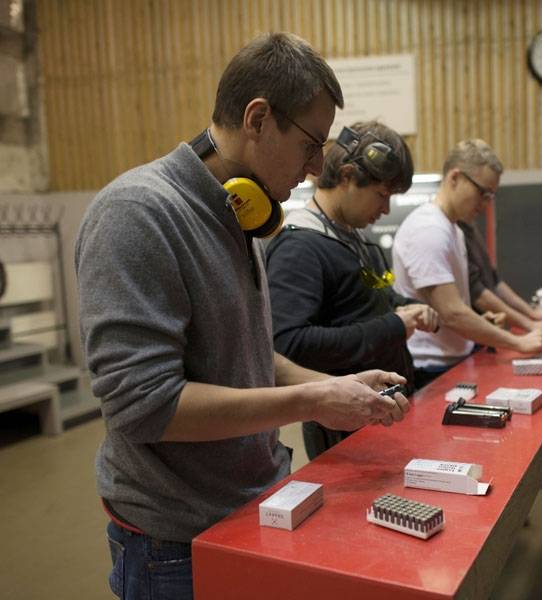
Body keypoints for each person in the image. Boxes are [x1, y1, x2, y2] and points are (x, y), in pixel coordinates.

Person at [75, 33, 410, 600]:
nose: (314, 168)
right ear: (257, 118)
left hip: (254, 505)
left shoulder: (242, 213)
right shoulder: (137, 214)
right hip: (175, 546)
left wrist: (335, 385)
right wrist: (314, 401)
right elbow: (145, 405)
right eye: (309, 145)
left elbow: (249, 354)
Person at [264, 120, 439, 459]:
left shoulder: (356, 240)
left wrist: (407, 307)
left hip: (381, 415)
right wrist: (394, 326)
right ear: (346, 176)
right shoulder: (299, 248)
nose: (386, 210)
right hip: (343, 429)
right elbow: (288, 345)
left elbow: (375, 298)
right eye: (381, 195)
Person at [392, 139, 542, 387]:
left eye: (491, 195)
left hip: (452, 360)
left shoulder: (452, 228)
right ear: (455, 177)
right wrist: (519, 341)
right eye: (482, 192)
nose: (486, 203)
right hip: (431, 369)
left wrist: (484, 325)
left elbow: (458, 307)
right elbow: (452, 313)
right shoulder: (428, 229)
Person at [457, 219, 542, 332]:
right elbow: (479, 296)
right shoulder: (454, 232)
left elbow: (495, 281)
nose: (484, 204)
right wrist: (530, 324)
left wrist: (532, 314)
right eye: (483, 200)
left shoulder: (470, 227)